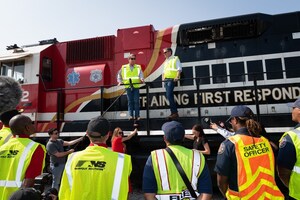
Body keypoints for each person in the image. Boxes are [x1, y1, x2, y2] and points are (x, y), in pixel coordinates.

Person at [214, 105, 284, 199]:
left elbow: (221, 182)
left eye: (231, 121)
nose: (231, 123)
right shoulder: (265, 141)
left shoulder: (230, 144)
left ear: (235, 120)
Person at [59, 116, 132, 200]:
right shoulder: (122, 161)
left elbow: (64, 193)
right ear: (108, 135)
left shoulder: (72, 158)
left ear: (87, 133)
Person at [143, 121, 213, 200]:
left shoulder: (154, 157)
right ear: (183, 138)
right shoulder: (198, 157)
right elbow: (206, 194)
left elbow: (148, 195)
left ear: (164, 138)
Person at [0, 115, 46, 200]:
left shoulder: (2, 148)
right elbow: (30, 181)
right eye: (31, 123)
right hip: (18, 197)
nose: (34, 125)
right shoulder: (35, 148)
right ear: (27, 128)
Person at [277, 98, 300, 200]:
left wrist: (291, 186)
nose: (292, 111)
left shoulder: (292, 137)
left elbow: (283, 172)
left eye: (293, 108)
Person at [117, 54, 144, 120]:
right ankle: (131, 116)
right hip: (128, 87)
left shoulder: (138, 67)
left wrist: (142, 79)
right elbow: (119, 75)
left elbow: (141, 74)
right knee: (130, 101)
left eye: (134, 59)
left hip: (136, 86)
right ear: (128, 60)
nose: (133, 60)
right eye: (131, 59)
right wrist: (120, 81)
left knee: (136, 101)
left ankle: (137, 116)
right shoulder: (124, 67)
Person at [161, 47, 182, 120]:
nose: (164, 54)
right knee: (168, 96)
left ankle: (175, 112)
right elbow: (164, 71)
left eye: (165, 52)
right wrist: (163, 78)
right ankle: (173, 112)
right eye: (163, 52)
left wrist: (177, 77)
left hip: (171, 80)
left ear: (170, 52)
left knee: (169, 95)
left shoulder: (175, 58)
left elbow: (179, 69)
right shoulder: (166, 61)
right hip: (166, 80)